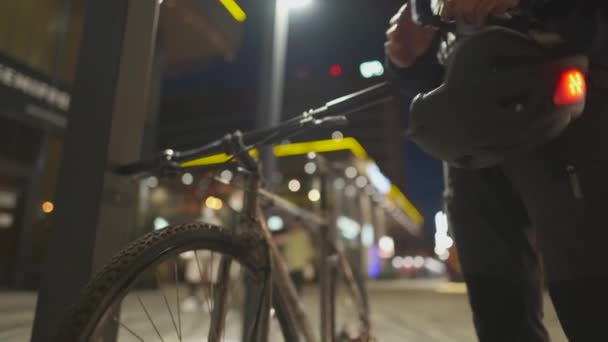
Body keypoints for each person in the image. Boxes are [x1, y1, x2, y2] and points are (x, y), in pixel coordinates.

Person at [385, 1, 608, 341]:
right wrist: (409, 59)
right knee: (499, 315)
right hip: (475, 140)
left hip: (572, 112)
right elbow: (435, 67)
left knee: (589, 302)